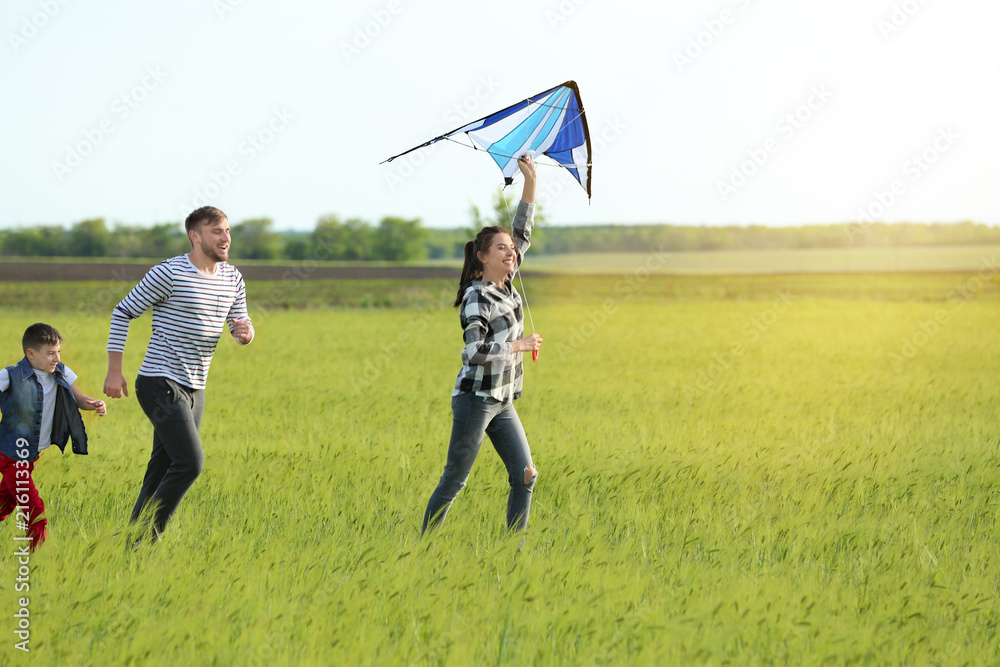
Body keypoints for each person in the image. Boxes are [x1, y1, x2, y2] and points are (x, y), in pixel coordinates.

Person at [103, 206, 254, 540]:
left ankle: (130, 550)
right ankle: (145, 540)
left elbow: (241, 321)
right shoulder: (169, 273)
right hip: (160, 381)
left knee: (161, 469)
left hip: (196, 387)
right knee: (189, 464)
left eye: (227, 231)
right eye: (216, 231)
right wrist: (115, 371)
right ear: (195, 236)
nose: (225, 238)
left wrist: (245, 333)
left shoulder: (232, 278)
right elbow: (123, 312)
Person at [422, 155, 544, 534]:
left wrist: (530, 182)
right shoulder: (479, 295)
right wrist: (518, 346)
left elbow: (522, 231)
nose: (511, 252)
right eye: (502, 249)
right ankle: (422, 548)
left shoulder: (508, 283)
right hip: (476, 399)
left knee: (525, 475)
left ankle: (513, 553)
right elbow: (472, 352)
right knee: (455, 481)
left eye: (511, 250)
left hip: (503, 399)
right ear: (483, 257)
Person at [0, 323, 107, 551]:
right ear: (31, 354)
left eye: (58, 351)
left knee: (5, 501)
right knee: (34, 508)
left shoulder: (60, 371)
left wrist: (95, 403)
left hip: (30, 456)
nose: (56, 357)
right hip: (11, 455)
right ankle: (41, 557)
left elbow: (79, 399)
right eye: (50, 353)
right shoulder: (10, 376)